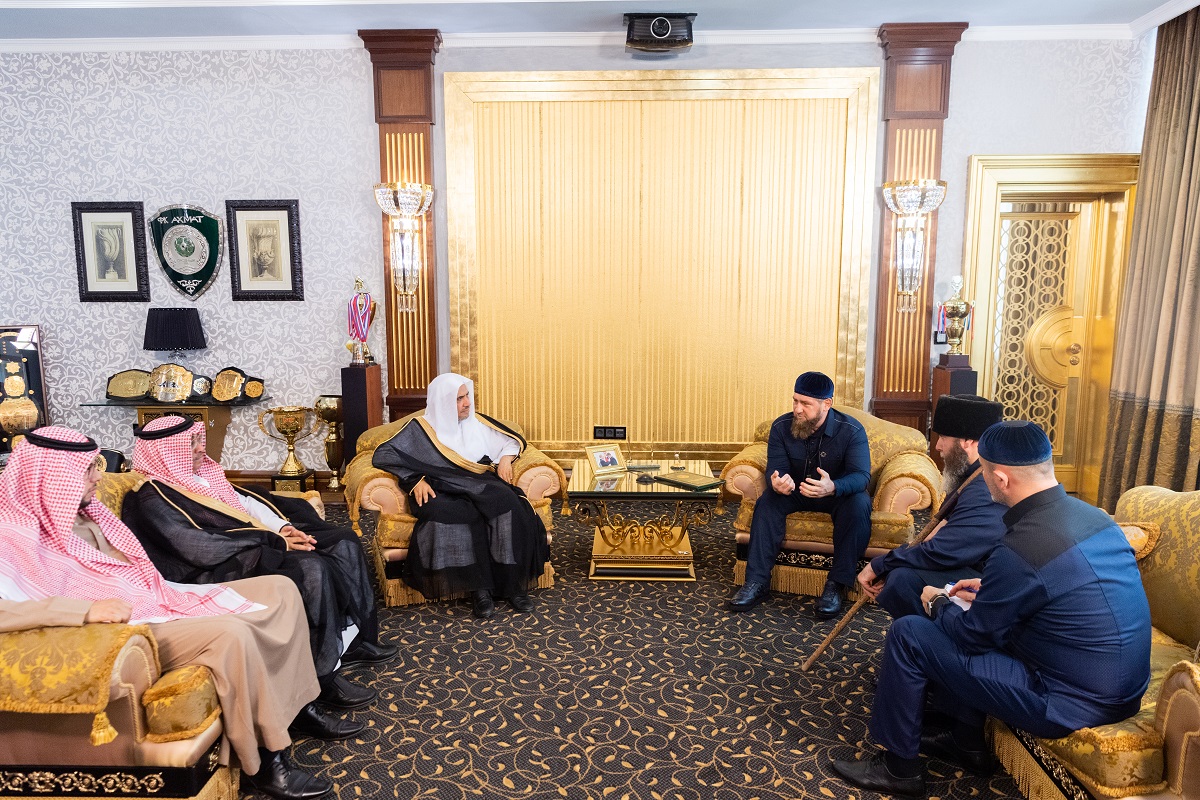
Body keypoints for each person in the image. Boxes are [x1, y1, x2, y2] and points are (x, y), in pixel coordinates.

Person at [0, 426, 342, 800]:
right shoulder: (13, 535)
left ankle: (298, 706)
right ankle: (265, 762)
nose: (99, 475)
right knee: (231, 635)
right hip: (128, 630)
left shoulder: (87, 510)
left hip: (159, 598)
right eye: (87, 470)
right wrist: (82, 612)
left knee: (282, 590)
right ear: (54, 478)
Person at [831, 421, 1152, 797]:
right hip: (1123, 688)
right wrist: (990, 590)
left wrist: (937, 600)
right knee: (974, 613)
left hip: (1068, 701)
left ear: (1001, 479)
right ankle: (965, 741)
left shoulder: (1020, 546)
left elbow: (973, 636)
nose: (979, 479)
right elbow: (1066, 588)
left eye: (982, 471)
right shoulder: (1095, 517)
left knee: (910, 635)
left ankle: (898, 769)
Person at [121, 415, 395, 718]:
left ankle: (354, 641)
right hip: (213, 567)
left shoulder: (202, 476)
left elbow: (247, 505)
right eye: (192, 443)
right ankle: (323, 676)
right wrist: (275, 541)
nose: (202, 448)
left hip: (251, 543)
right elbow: (196, 547)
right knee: (311, 570)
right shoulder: (151, 497)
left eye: (199, 439)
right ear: (166, 453)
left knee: (342, 540)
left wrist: (282, 528)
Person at [371, 372, 550, 619]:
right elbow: (387, 455)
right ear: (442, 404)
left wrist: (506, 459)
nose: (467, 403)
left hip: (475, 481)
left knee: (508, 504)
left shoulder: (476, 423)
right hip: (439, 485)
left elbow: (510, 441)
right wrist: (414, 480)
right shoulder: (420, 429)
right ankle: (479, 590)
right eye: (459, 399)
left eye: (467, 396)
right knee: (460, 514)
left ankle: (511, 585)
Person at [728, 371, 871, 618]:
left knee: (859, 503)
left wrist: (833, 487)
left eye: (806, 403)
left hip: (834, 493)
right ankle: (756, 583)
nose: (797, 409)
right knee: (767, 502)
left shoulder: (852, 431)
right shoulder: (781, 427)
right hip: (796, 491)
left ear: (827, 404)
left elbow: (861, 476)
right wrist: (777, 482)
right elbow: (776, 467)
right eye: (795, 401)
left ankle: (836, 585)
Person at [856, 394, 1007, 618]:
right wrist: (897, 558)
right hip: (973, 563)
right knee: (903, 569)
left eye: (943, 437)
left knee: (901, 579)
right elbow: (936, 534)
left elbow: (945, 551)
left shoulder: (985, 487)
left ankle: (941, 641)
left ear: (966, 441)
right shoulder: (972, 475)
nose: (937, 447)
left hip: (995, 583)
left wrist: (881, 564)